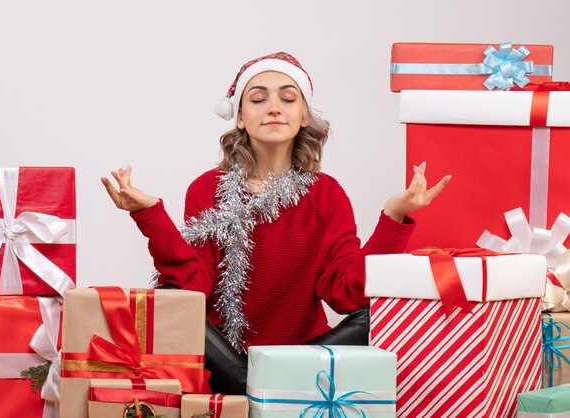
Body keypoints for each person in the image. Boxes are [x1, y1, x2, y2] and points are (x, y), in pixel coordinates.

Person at [101, 52, 450, 394]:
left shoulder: (327, 194)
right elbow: (194, 287)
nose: (273, 107)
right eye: (257, 98)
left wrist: (394, 215)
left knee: (380, 315)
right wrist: (149, 216)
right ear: (239, 117)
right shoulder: (206, 188)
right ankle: (253, 384)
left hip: (301, 360)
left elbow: (348, 293)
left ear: (302, 118)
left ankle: (264, 384)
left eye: (287, 98)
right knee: (169, 298)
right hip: (225, 360)